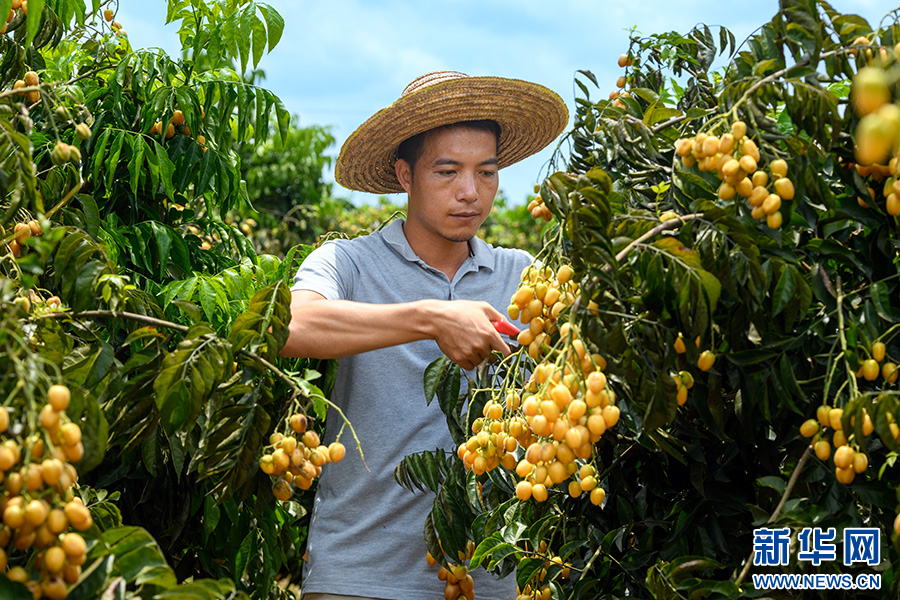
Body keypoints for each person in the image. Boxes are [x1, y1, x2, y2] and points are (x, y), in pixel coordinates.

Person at [281, 71, 568, 600]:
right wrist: (431, 318)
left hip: (491, 584)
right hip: (361, 577)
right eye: (447, 171)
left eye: (487, 172)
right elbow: (292, 326)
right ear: (404, 175)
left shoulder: (525, 277)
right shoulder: (347, 263)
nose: (470, 192)